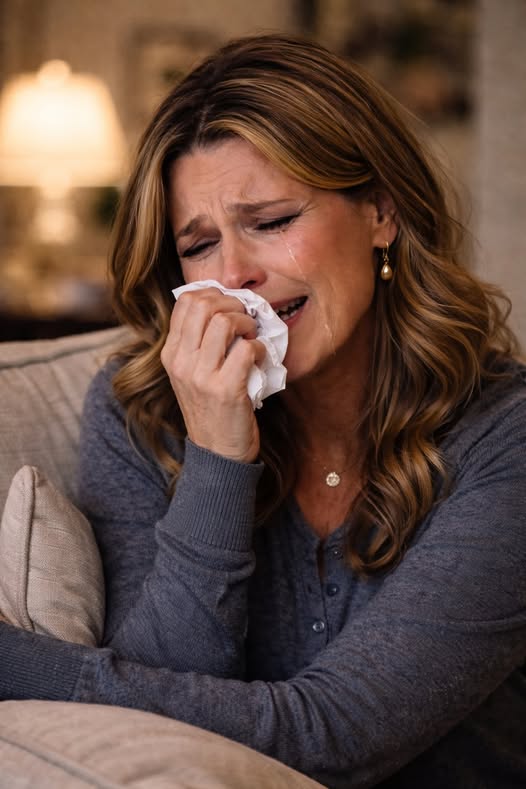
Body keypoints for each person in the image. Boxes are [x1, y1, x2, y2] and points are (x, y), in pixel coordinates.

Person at [1, 33, 525, 789]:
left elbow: (336, 734)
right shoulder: (140, 412)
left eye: (272, 221)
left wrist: (23, 665)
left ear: (381, 211)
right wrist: (217, 457)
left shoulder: (505, 435)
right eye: (199, 244)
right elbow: (139, 748)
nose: (235, 274)